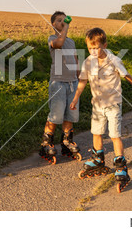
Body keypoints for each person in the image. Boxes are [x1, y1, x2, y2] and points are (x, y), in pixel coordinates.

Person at [70, 27, 132, 192]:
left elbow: (125, 75)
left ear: (105, 44)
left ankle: (120, 165)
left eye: (96, 47)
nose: (94, 51)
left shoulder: (114, 60)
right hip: (97, 104)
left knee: (115, 135)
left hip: (113, 104)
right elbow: (82, 81)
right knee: (96, 132)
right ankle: (98, 159)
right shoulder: (88, 62)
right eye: (90, 48)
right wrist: (75, 98)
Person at [39, 11, 81, 164]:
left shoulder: (71, 42)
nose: (63, 22)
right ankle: (46, 142)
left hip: (72, 83)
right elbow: (59, 43)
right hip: (58, 82)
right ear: (53, 24)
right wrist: (66, 27)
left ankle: (67, 141)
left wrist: (79, 75)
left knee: (71, 115)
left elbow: (75, 59)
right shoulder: (52, 39)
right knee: (56, 115)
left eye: (64, 20)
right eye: (59, 20)